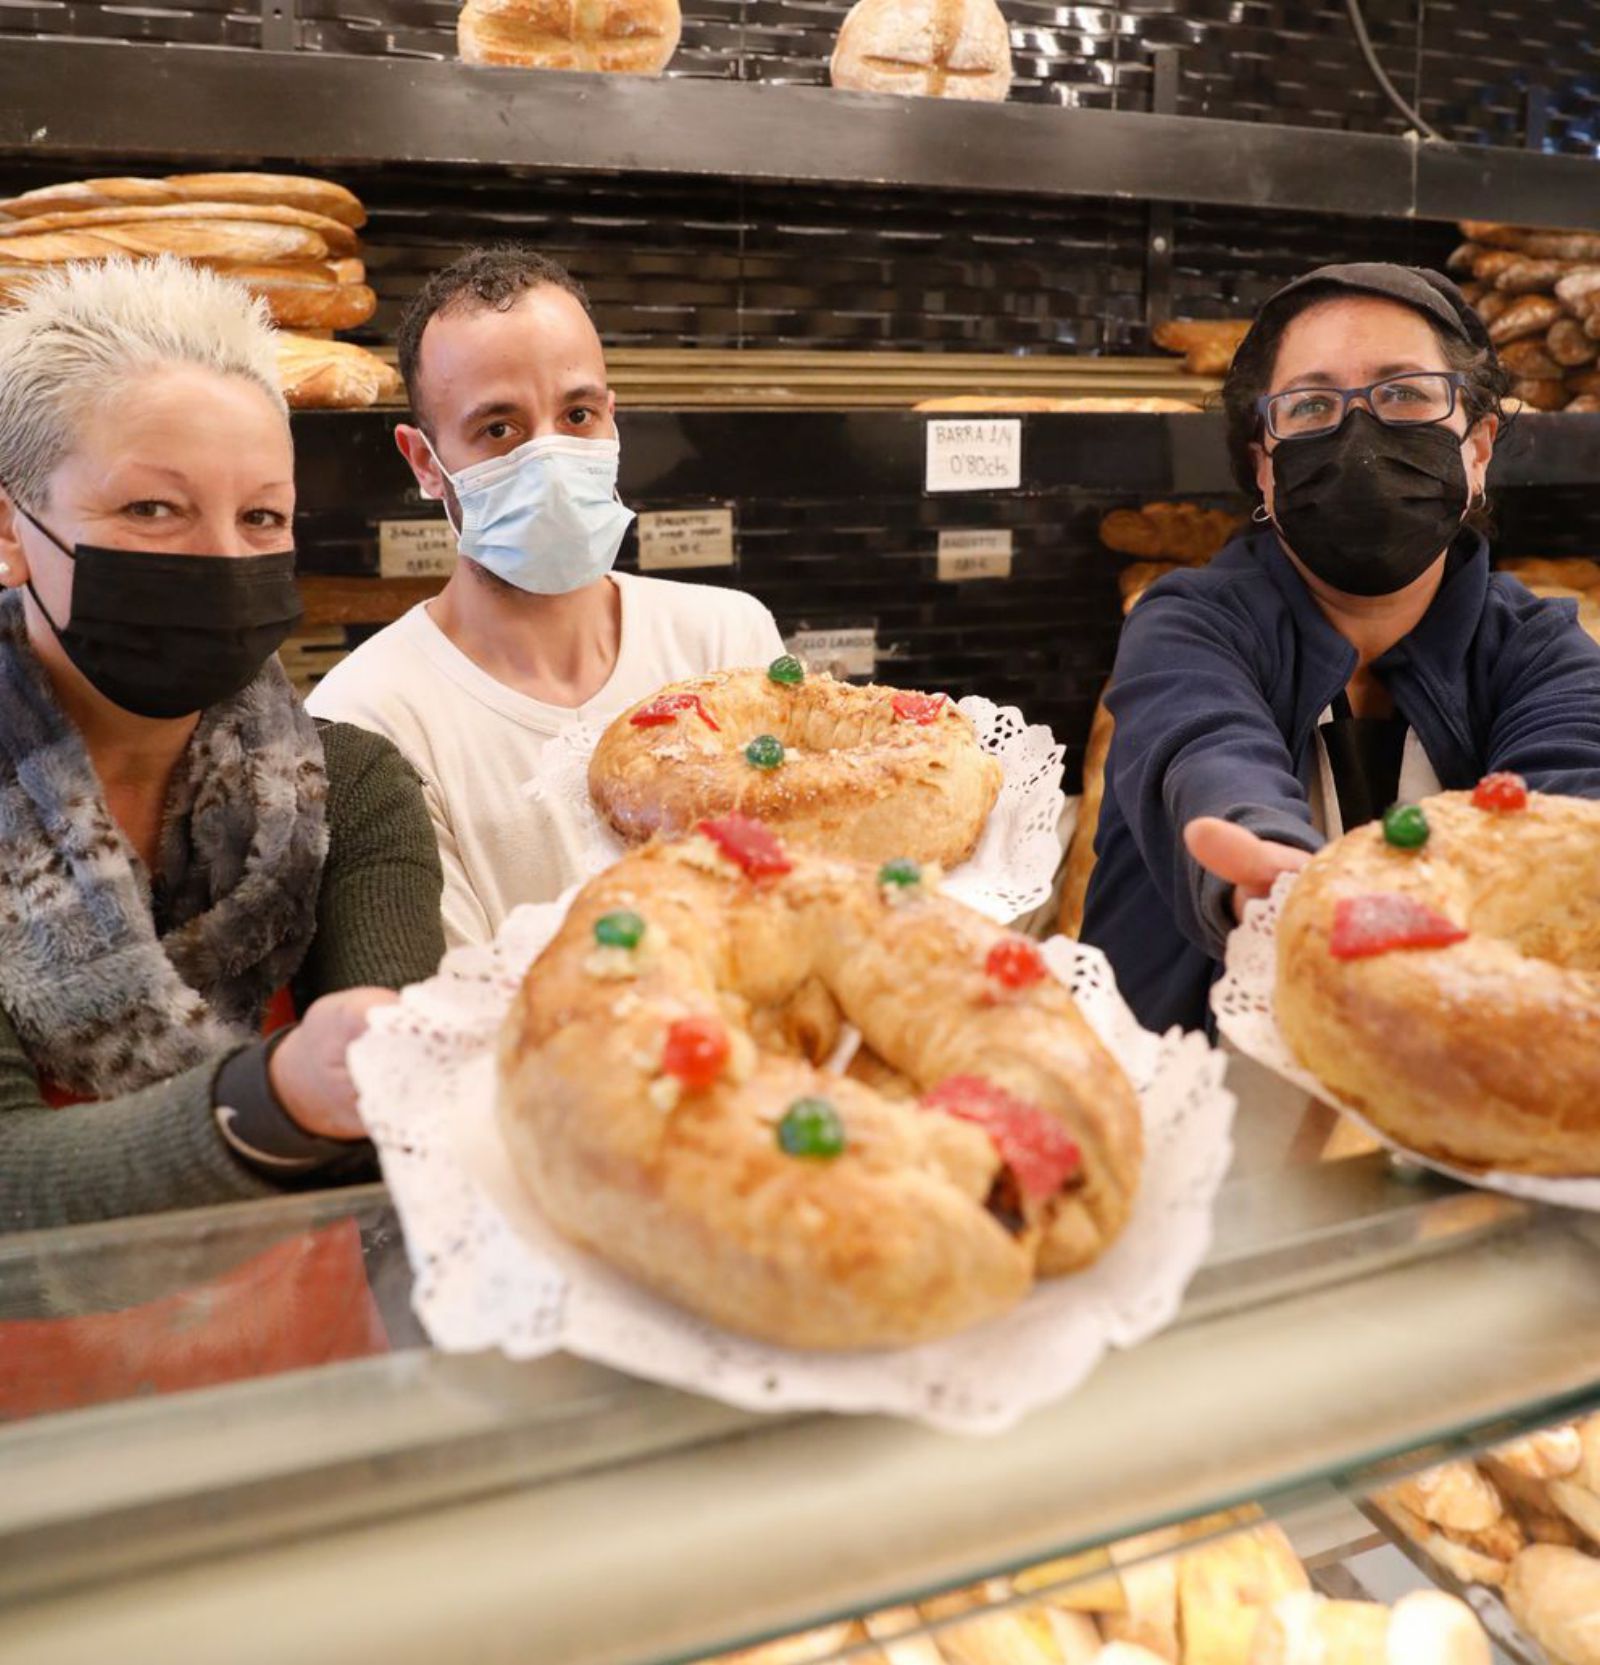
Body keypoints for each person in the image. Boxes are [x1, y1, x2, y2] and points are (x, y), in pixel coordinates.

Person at [0, 258, 444, 1231]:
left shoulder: (353, 790)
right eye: (153, 509)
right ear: (9, 528)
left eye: (260, 517)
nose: (224, 559)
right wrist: (278, 1096)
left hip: (304, 1365)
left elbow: (402, 1140)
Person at [1083, 262, 1600, 1032]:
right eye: (1312, 405)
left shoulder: (1544, 650)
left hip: (1447, 1086)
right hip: (1185, 1108)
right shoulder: (1184, 625)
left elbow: (1567, 818)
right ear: (1264, 467)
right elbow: (1206, 754)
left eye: (1405, 393)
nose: (1360, 436)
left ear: (1479, 448)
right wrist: (1265, 871)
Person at [307, 246, 787, 946]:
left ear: (613, 418)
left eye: (578, 415)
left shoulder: (727, 640)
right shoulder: (368, 722)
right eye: (498, 429)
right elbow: (446, 1014)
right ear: (424, 462)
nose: (551, 459)